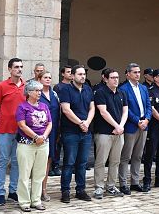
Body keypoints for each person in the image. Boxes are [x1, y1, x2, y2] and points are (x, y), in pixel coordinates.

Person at [58, 65, 95, 202]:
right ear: (72, 76)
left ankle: (80, 189)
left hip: (85, 132)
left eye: (84, 74)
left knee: (82, 163)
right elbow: (66, 110)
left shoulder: (88, 89)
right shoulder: (65, 90)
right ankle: (65, 191)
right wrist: (80, 123)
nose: (83, 76)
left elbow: (92, 108)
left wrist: (87, 123)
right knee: (69, 162)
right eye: (79, 74)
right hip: (71, 132)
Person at [16, 80, 52, 211]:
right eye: (36, 90)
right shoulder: (22, 107)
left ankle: (36, 200)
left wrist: (43, 137)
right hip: (27, 144)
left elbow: (49, 123)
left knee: (39, 173)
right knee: (25, 174)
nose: (39, 93)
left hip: (43, 143)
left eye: (40, 90)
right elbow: (22, 125)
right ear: (29, 92)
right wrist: (35, 137)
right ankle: (24, 202)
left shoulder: (44, 106)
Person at [0, 58, 25, 206]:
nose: (19, 69)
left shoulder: (27, 86)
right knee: (2, 160)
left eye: (21, 67)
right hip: (5, 129)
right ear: (9, 69)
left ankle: (13, 191)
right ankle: (0, 192)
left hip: (22, 130)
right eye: (16, 67)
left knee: (16, 161)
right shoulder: (2, 86)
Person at [93, 68, 128, 198]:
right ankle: (99, 187)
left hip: (119, 133)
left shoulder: (122, 93)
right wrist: (116, 126)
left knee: (115, 161)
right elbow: (103, 112)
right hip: (104, 132)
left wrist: (120, 127)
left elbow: (125, 111)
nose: (116, 80)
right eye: (113, 77)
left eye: (117, 77)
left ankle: (111, 186)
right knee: (101, 161)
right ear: (106, 79)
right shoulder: (100, 93)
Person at [118, 63, 151, 194]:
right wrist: (137, 121)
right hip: (131, 125)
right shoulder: (123, 88)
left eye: (139, 72)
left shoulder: (143, 88)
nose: (138, 74)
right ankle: (123, 183)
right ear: (128, 74)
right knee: (126, 156)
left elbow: (148, 105)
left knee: (138, 156)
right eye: (135, 72)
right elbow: (125, 109)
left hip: (144, 125)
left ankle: (135, 182)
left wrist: (147, 119)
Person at [39, 71, 60, 201]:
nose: (48, 79)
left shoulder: (54, 94)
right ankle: (33, 190)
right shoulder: (36, 93)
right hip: (39, 131)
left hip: (53, 132)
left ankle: (44, 189)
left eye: (50, 77)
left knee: (48, 160)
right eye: (45, 77)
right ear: (39, 79)